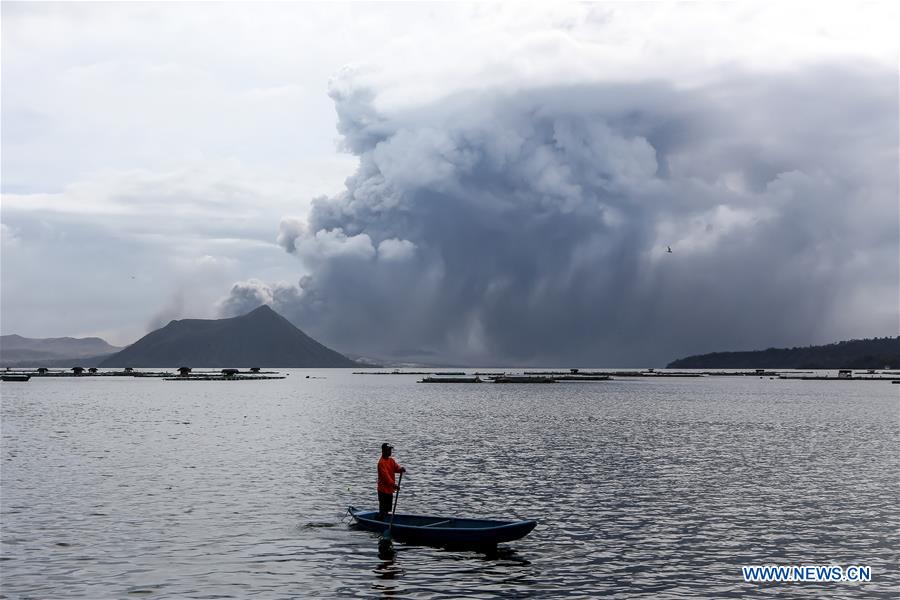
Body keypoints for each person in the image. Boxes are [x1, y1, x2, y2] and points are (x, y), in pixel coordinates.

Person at [377, 443, 406, 520]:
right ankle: (379, 521)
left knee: (387, 510)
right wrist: (394, 486)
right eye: (388, 450)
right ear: (383, 451)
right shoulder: (381, 463)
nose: (390, 452)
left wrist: (400, 469)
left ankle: (384, 520)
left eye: (390, 450)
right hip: (383, 490)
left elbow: (396, 468)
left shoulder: (391, 460)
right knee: (383, 510)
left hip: (389, 490)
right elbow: (386, 478)